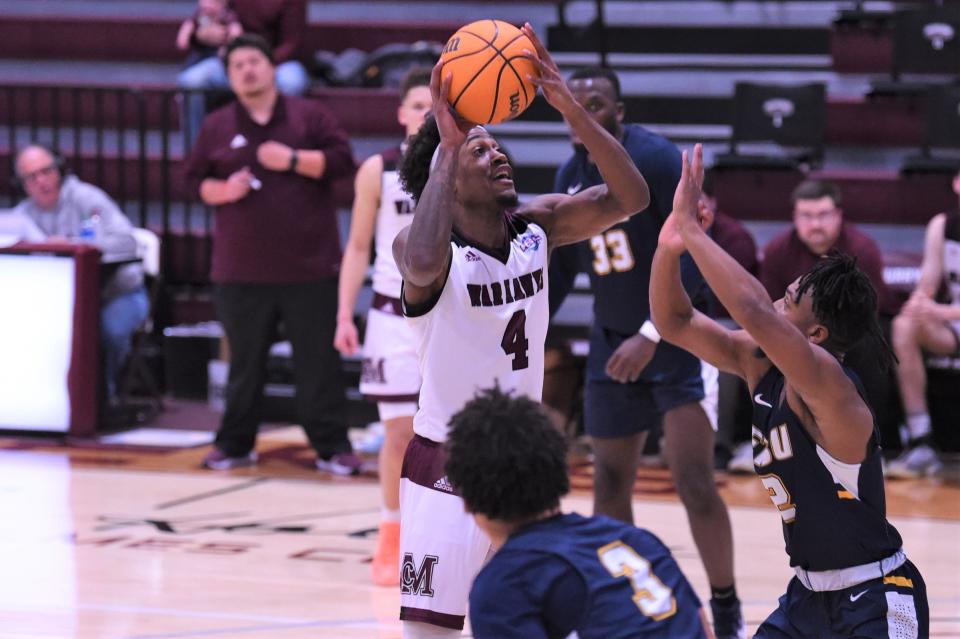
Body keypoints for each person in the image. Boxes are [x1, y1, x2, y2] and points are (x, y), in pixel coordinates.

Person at [393, 25, 651, 638]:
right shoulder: (425, 248)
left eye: (495, 145)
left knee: (521, 621)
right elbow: (423, 262)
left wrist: (568, 107)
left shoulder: (537, 229)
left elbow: (631, 197)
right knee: (430, 631)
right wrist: (448, 145)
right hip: (447, 464)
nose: (497, 154)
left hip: (523, 455)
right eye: (479, 151)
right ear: (448, 175)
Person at [651, 144, 929, 638]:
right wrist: (670, 247)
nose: (778, 301)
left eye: (790, 300)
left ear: (816, 336)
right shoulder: (759, 365)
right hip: (806, 597)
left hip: (875, 597)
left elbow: (754, 311)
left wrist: (694, 232)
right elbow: (673, 322)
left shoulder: (832, 388)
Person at [547, 66, 744, 638]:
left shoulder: (656, 161)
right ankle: (622, 599)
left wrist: (652, 334)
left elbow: (694, 255)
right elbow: (557, 276)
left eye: (598, 104)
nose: (584, 113)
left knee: (694, 480)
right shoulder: (568, 174)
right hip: (611, 347)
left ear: (620, 112)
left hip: (675, 342)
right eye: (574, 104)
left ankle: (726, 606)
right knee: (608, 481)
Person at [183, 34, 359, 474]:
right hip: (240, 272)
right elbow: (191, 181)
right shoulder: (218, 125)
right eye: (237, 64)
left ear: (271, 68)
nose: (246, 69)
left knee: (317, 364)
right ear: (229, 77)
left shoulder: (309, 116)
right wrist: (223, 190)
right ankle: (235, 443)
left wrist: (294, 160)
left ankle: (332, 447)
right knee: (244, 366)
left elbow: (343, 163)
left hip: (309, 268)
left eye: (254, 61)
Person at [444, 386, 713, 639]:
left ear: (466, 498)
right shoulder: (635, 540)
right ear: (561, 473)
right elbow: (702, 627)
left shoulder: (505, 583)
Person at [333, 67, 432, 586]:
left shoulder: (460, 164)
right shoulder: (376, 169)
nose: (425, 113)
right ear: (400, 112)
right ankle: (391, 535)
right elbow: (356, 247)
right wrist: (343, 313)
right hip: (390, 317)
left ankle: (445, 534)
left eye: (434, 105)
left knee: (448, 436)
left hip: (444, 317)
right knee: (398, 433)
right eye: (417, 104)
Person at [761, 179, 903, 450]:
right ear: (794, 217)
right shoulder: (777, 251)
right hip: (794, 333)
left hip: (850, 333)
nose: (815, 224)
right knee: (758, 344)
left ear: (839, 215)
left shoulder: (862, 250)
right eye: (807, 216)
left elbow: (867, 314)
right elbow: (769, 309)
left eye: (823, 215)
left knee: (872, 345)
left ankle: (876, 442)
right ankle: (763, 439)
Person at [12, 144, 149, 400]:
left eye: (47, 171)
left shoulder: (87, 198)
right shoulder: (22, 216)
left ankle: (101, 401)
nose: (42, 181)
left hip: (116, 294)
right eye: (32, 177)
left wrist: (72, 244)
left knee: (108, 330)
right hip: (60, 303)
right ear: (22, 183)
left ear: (60, 170)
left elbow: (126, 240)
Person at [886, 168, 960, 478]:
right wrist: (919, 302)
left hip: (952, 316)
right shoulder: (942, 226)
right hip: (954, 322)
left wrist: (942, 313)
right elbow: (928, 280)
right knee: (904, 325)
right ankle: (921, 438)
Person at [178, 0, 309, 139]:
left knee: (292, 82)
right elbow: (205, 19)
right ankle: (196, 152)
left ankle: (284, 150)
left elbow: (291, 43)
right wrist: (200, 36)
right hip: (232, 61)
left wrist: (263, 64)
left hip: (277, 63)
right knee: (191, 81)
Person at [175, 0, 243, 70]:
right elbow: (184, 36)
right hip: (201, 52)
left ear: (222, 4)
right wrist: (189, 36)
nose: (206, 5)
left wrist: (227, 48)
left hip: (218, 54)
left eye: (212, 2)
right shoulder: (199, 16)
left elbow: (236, 34)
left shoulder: (227, 17)